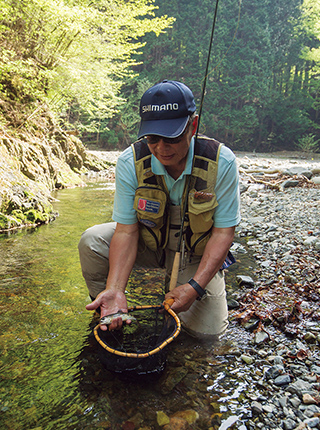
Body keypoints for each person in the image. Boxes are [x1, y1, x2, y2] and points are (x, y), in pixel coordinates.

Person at [78, 79, 240, 338]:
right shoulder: (130, 161)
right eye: (153, 138)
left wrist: (195, 287)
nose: (162, 148)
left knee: (207, 335)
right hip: (149, 243)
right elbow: (126, 231)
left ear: (193, 126)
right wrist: (115, 287)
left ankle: (184, 289)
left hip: (195, 253)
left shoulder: (221, 162)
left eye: (172, 136)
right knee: (92, 241)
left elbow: (223, 233)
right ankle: (110, 306)